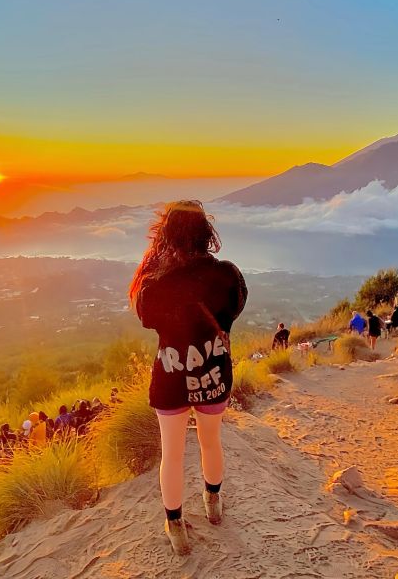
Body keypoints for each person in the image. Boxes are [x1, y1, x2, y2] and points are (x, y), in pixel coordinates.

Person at [130, 200, 247, 555]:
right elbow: (236, 307)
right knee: (211, 443)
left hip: (170, 378)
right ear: (207, 233)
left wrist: (157, 257)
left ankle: (175, 524)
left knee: (173, 455)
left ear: (165, 236)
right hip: (212, 374)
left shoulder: (155, 285)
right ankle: (213, 502)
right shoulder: (228, 275)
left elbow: (146, 315)